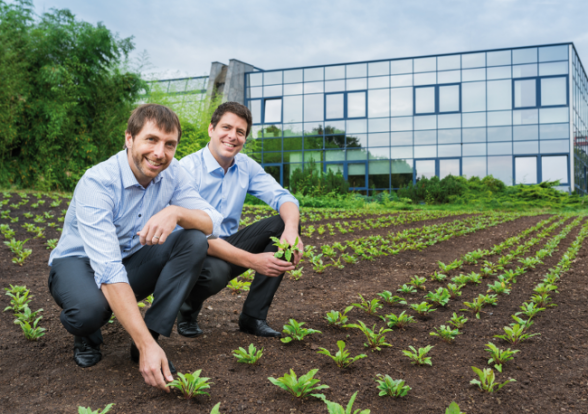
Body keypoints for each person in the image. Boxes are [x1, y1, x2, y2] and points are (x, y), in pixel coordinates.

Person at [48, 104, 223, 392]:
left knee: (193, 240)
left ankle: (150, 337)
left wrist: (178, 212)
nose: (160, 153)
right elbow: (108, 269)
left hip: (131, 258)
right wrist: (145, 347)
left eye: (170, 144)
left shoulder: (173, 173)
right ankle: (88, 334)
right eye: (151, 140)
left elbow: (213, 221)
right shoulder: (98, 182)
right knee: (89, 310)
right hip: (78, 262)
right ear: (129, 138)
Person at [177, 101, 303, 338]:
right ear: (211, 129)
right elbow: (199, 236)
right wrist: (254, 260)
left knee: (282, 224)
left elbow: (283, 198)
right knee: (215, 272)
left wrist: (292, 231)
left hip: (229, 242)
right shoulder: (187, 169)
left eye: (240, 132)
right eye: (226, 127)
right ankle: (186, 310)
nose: (232, 136)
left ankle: (253, 317)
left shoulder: (246, 166)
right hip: (193, 247)